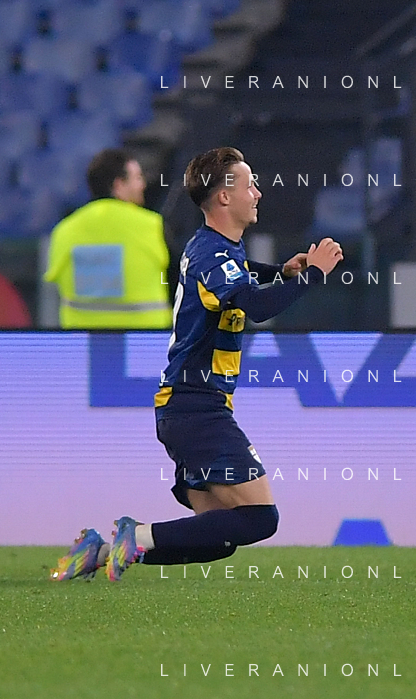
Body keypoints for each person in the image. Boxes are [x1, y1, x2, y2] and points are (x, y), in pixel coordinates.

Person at [52, 146, 343, 581]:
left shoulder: (214, 248)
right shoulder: (211, 254)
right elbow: (254, 305)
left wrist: (281, 272)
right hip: (196, 407)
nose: (258, 193)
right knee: (260, 518)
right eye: (249, 185)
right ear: (224, 196)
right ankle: (135, 536)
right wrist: (314, 274)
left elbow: (239, 274)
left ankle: (104, 551)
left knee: (218, 537)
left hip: (188, 408)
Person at [43, 149, 172, 328]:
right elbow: (178, 279)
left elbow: (56, 284)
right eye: (137, 178)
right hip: (145, 338)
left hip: (82, 338)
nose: (143, 185)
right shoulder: (152, 225)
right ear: (118, 185)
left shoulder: (64, 230)